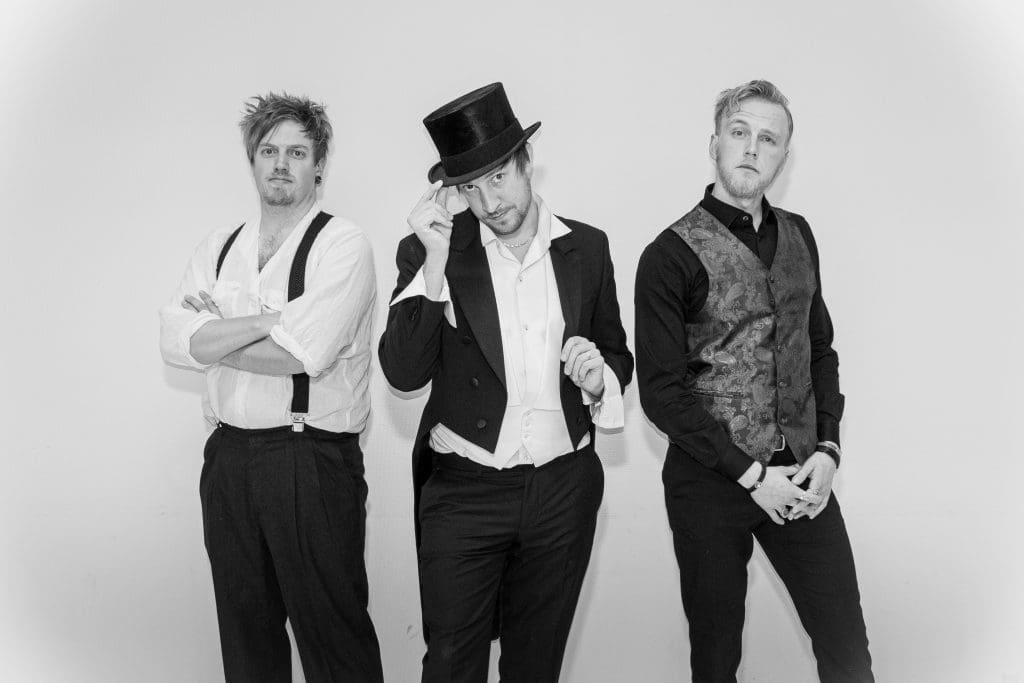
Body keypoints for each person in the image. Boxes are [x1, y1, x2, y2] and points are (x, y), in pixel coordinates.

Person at [379, 82, 633, 683]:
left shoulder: (587, 247)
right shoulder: (431, 252)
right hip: (464, 492)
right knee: (450, 665)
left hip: (563, 490)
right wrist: (434, 262)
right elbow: (403, 372)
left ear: (526, 163)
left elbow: (617, 353)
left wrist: (598, 379)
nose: (489, 202)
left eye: (498, 178)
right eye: (470, 187)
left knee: (535, 666)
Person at [635, 80, 874, 682]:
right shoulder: (668, 254)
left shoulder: (800, 234)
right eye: (739, 132)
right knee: (716, 662)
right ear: (714, 143)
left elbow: (819, 348)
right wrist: (749, 475)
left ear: (783, 157)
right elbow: (661, 393)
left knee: (847, 651)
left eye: (768, 139)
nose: (751, 147)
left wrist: (828, 446)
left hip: (801, 474)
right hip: (709, 483)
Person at [159, 93, 383, 682]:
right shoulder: (219, 246)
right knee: (247, 640)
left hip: (311, 459)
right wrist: (270, 321)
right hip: (228, 459)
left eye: (297, 152)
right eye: (269, 151)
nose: (281, 164)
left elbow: (301, 354)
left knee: (334, 640)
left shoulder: (343, 245)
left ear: (319, 166)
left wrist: (217, 335)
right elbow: (175, 341)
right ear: (252, 160)